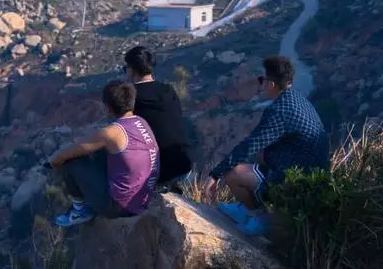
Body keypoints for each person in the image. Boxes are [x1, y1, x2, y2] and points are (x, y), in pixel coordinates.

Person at [202, 55, 329, 236]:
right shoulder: (297, 100)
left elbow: (249, 145)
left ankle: (259, 218)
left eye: (262, 80)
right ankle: (249, 210)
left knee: (232, 173)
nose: (260, 84)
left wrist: (215, 174)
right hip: (314, 178)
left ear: (270, 84)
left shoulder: (279, 110)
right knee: (263, 153)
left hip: (297, 183)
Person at [50, 80, 160, 227]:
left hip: (119, 207)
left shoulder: (111, 133)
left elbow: (69, 154)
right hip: (143, 199)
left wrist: (56, 162)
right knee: (102, 153)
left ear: (108, 107)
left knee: (71, 163)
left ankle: (80, 211)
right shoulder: (141, 122)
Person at [123, 46, 193, 188]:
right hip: (184, 166)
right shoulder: (168, 90)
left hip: (158, 173)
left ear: (132, 70)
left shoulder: (130, 97)